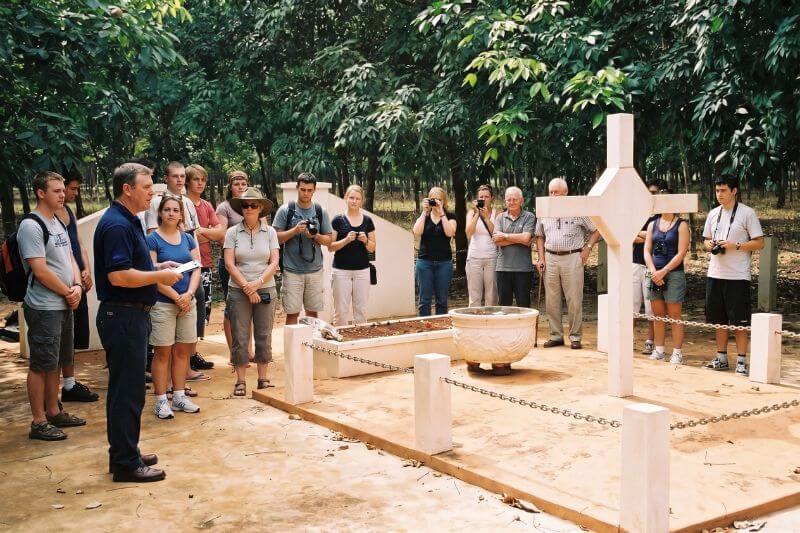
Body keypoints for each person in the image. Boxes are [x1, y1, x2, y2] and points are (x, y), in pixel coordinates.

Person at [94, 162, 182, 482]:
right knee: (127, 391)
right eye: (147, 187)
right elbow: (118, 276)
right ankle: (125, 464)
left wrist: (159, 265)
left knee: (129, 390)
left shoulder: (128, 220)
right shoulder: (117, 225)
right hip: (123, 315)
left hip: (130, 315)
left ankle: (126, 450)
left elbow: (134, 265)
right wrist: (159, 274)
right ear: (127, 189)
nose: (153, 193)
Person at [20, 172, 86, 441]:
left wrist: (77, 287)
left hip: (63, 302)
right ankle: (38, 421)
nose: (63, 194)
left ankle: (53, 410)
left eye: (63, 190)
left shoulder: (57, 220)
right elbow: (40, 270)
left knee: (57, 360)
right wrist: (68, 292)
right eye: (57, 191)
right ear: (40, 193)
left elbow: (69, 255)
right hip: (44, 306)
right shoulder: (31, 225)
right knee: (40, 363)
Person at [702, 174, 764, 376]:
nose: (719, 194)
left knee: (739, 321)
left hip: (738, 276)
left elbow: (759, 242)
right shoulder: (713, 214)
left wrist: (735, 245)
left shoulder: (747, 213)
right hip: (715, 274)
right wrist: (710, 244)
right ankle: (721, 358)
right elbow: (705, 240)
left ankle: (741, 361)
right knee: (718, 319)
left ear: (734, 191)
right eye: (717, 190)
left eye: (723, 190)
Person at [147, 196, 202, 419]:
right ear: (160, 213)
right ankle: (161, 400)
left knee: (183, 351)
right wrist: (176, 296)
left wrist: (188, 294)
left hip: (187, 303)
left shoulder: (188, 239)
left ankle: (179, 396)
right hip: (163, 304)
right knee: (162, 352)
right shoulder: (152, 240)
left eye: (175, 210)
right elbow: (151, 274)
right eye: (167, 210)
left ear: (181, 214)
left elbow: (196, 267)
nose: (171, 213)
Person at [223, 188, 280, 396]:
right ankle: (240, 381)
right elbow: (230, 264)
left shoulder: (270, 232)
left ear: (261, 208)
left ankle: (263, 378)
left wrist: (257, 283)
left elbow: (274, 262)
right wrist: (247, 287)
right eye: (245, 205)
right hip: (239, 290)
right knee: (240, 335)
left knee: (264, 334)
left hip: (265, 288)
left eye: (253, 205)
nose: (249, 208)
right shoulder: (232, 232)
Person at [535, 178, 601, 350]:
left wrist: (588, 248)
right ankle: (555, 335)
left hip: (572, 257)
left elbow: (596, 229)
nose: (553, 195)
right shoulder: (544, 210)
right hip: (550, 257)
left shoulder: (577, 210)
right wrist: (541, 258)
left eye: (557, 192)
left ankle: (575, 337)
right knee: (552, 300)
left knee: (574, 299)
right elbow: (539, 235)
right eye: (551, 192)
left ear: (566, 192)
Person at [56, 174, 99, 402]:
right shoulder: (45, 219)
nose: (72, 194)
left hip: (77, 281)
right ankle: (55, 391)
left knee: (73, 336)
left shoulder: (69, 213)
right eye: (70, 189)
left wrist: (86, 270)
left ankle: (70, 383)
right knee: (61, 338)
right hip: (61, 284)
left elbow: (79, 244)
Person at [274, 173, 334, 325]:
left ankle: (311, 347)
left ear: (314, 190)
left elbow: (329, 240)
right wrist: (294, 231)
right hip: (291, 270)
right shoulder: (286, 210)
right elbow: (275, 238)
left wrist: (314, 236)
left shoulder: (321, 211)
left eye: (309, 190)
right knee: (292, 314)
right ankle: (292, 349)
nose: (306, 193)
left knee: (312, 314)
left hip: (315, 271)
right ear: (297, 188)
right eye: (303, 189)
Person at [643, 191, 690, 364]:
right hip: (654, 273)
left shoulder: (681, 224)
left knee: (674, 313)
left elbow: (681, 252)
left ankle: (677, 352)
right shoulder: (652, 224)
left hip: (674, 273)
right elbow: (647, 250)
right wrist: (653, 271)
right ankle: (659, 349)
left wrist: (664, 271)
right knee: (658, 314)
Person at [185, 164, 223, 372]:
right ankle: (185, 354)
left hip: (205, 263)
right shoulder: (181, 204)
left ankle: (192, 353)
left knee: (203, 309)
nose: (200, 183)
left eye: (203, 180)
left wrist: (199, 232)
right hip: (186, 266)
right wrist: (206, 231)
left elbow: (220, 233)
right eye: (196, 179)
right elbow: (186, 235)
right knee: (187, 310)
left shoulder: (207, 206)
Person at [215, 171, 254, 361]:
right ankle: (234, 351)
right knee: (231, 307)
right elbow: (222, 235)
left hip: (252, 264)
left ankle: (249, 350)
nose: (240, 186)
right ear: (230, 187)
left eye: (243, 183)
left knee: (251, 306)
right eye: (236, 183)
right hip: (230, 263)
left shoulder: (254, 204)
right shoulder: (224, 208)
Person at [328, 185, 377, 325]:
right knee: (341, 312)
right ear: (345, 198)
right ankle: (340, 343)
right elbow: (330, 247)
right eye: (351, 198)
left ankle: (360, 345)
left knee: (360, 311)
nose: (354, 201)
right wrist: (346, 240)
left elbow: (372, 248)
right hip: (340, 271)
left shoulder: (368, 221)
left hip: (362, 271)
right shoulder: (337, 220)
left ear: (361, 201)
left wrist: (366, 240)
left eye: (357, 199)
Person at [412, 187, 457, 316]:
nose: (436, 202)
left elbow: (449, 233)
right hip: (424, 262)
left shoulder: (450, 216)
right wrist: (424, 212)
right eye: (433, 200)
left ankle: (440, 327)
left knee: (442, 300)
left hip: (444, 263)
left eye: (439, 200)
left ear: (444, 201)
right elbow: (416, 231)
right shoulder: (424, 216)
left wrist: (441, 212)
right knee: (424, 300)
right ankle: (424, 327)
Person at [493, 186, 535, 308]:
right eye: (508, 200)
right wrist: (519, 239)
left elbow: (527, 238)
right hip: (503, 269)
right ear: (505, 201)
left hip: (523, 269)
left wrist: (505, 236)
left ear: (521, 201)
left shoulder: (529, 216)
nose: (511, 202)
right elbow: (496, 241)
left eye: (515, 199)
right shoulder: (500, 217)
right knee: (504, 307)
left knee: (524, 306)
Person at [633, 180, 661, 355]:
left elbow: (661, 237)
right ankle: (628, 339)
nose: (652, 195)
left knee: (652, 306)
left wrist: (644, 235)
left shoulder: (665, 215)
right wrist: (651, 236)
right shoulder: (636, 212)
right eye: (648, 192)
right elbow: (628, 234)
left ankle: (651, 341)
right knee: (631, 305)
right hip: (634, 262)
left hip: (655, 265)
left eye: (655, 192)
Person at [465, 184, 499, 307]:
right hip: (474, 257)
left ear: (492, 198)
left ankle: (491, 323)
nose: (484, 199)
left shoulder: (497, 213)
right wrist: (477, 215)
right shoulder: (471, 213)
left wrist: (486, 218)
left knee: (492, 296)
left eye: (486, 196)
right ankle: (475, 322)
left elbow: (496, 234)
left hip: (492, 258)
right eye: (481, 197)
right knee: (474, 296)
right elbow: (469, 233)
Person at [144, 161, 199, 235]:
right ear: (166, 178)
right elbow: (151, 234)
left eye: (182, 176)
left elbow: (195, 233)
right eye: (175, 176)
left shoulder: (188, 202)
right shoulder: (156, 202)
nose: (179, 179)